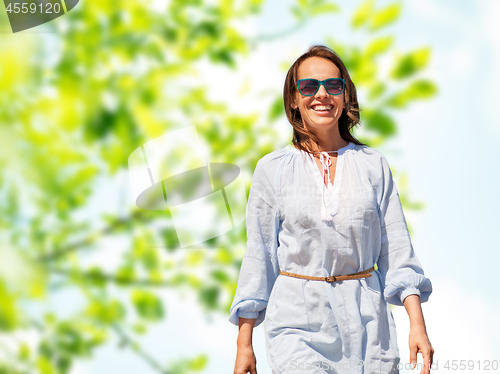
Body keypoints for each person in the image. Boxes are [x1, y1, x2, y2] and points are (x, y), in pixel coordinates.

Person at [229, 45, 434, 374]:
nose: (322, 94)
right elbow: (259, 256)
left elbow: (396, 249)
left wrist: (417, 325)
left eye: (333, 86)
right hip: (297, 322)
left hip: (370, 325)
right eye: (309, 86)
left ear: (345, 94)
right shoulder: (272, 169)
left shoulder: (373, 164)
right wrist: (244, 344)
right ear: (294, 98)